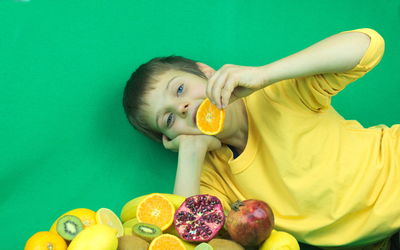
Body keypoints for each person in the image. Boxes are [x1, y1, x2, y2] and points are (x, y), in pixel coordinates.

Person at [122, 28, 399, 249]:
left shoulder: (275, 93)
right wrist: (191, 151)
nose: (181, 107)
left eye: (180, 89)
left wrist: (266, 74)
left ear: (207, 73)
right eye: (169, 119)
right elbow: (187, 235)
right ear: (170, 139)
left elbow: (367, 46)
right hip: (379, 239)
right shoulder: (211, 176)